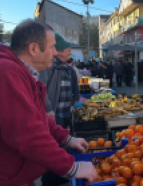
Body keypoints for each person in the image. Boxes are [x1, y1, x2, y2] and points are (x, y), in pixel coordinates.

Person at [0, 20, 97, 186]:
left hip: (19, 175)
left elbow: (38, 119)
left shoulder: (25, 74)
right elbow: (26, 132)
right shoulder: (7, 72)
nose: (55, 53)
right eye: (52, 47)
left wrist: (66, 138)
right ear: (33, 49)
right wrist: (72, 168)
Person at [40, 33, 74, 128]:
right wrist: (48, 109)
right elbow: (41, 87)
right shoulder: (49, 66)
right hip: (55, 114)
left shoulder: (64, 67)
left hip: (65, 114)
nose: (70, 53)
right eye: (68, 50)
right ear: (59, 52)